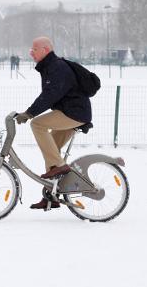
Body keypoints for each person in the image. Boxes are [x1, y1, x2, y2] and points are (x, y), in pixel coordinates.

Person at [14, 37, 91, 210]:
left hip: (74, 113)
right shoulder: (50, 67)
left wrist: (29, 113)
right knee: (51, 154)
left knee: (37, 124)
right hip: (71, 111)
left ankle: (62, 167)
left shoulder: (57, 67)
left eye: (34, 49)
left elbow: (50, 95)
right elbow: (51, 94)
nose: (31, 52)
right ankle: (52, 196)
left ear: (46, 49)